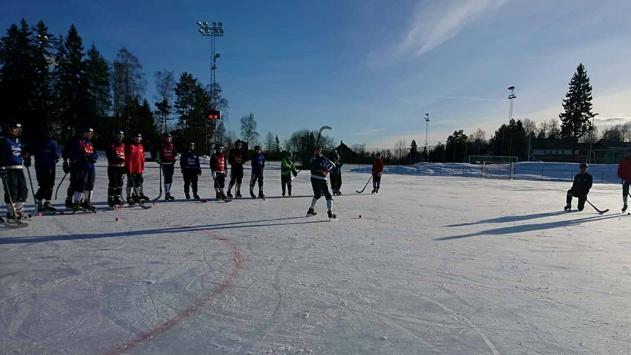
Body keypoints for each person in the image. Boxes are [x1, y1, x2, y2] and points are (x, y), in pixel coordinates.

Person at [26, 126, 59, 213]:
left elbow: (54, 153)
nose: (48, 134)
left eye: (49, 132)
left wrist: (56, 157)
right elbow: (28, 150)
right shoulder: (38, 142)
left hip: (51, 166)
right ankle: (39, 200)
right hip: (41, 166)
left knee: (50, 184)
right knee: (43, 184)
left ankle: (47, 203)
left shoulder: (53, 142)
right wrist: (27, 158)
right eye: (46, 132)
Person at [0, 121, 29, 221]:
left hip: (19, 168)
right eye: (13, 128)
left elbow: (21, 152)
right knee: (12, 190)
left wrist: (26, 157)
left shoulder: (18, 141)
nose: (15, 130)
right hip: (8, 168)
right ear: (8, 129)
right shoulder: (3, 140)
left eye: (16, 128)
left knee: (23, 190)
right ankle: (12, 212)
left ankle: (19, 210)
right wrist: (1, 166)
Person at [69, 127, 98, 212]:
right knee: (81, 184)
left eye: (91, 133)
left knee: (90, 184)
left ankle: (87, 201)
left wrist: (93, 157)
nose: (90, 134)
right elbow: (76, 153)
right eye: (88, 133)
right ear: (84, 133)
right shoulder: (80, 142)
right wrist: (84, 157)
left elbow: (95, 154)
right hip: (82, 167)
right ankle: (77, 202)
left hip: (91, 167)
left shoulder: (91, 143)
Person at [306, 146, 336, 218]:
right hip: (321, 179)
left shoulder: (314, 159)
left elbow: (331, 166)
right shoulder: (321, 159)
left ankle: (311, 209)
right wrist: (327, 169)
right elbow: (332, 166)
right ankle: (330, 212)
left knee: (317, 194)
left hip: (314, 178)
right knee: (327, 195)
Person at [126, 132, 148, 205]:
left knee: (138, 183)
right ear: (133, 138)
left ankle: (136, 196)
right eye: (136, 137)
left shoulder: (141, 146)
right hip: (132, 169)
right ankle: (129, 197)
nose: (138, 138)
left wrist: (142, 167)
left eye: (139, 137)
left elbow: (142, 157)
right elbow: (128, 159)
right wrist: (129, 169)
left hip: (139, 168)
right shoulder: (130, 146)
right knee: (131, 183)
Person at [106, 130, 126, 208]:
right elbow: (110, 156)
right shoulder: (111, 145)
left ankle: (117, 198)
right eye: (119, 136)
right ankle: (110, 199)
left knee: (120, 183)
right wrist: (118, 159)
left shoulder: (123, 145)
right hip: (113, 167)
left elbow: (125, 156)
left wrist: (125, 166)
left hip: (121, 167)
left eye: (122, 136)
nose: (120, 137)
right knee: (113, 183)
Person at [62, 130, 81, 209]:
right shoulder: (71, 141)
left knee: (80, 183)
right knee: (74, 182)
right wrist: (65, 162)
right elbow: (65, 152)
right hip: (74, 164)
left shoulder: (84, 141)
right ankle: (69, 199)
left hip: (83, 165)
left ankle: (77, 201)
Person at [157, 132, 176, 201]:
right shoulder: (161, 145)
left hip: (171, 163)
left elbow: (174, 153)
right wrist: (157, 159)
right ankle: (166, 193)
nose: (168, 139)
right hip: (164, 163)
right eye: (167, 137)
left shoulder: (172, 145)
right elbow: (155, 152)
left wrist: (174, 159)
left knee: (170, 178)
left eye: (169, 137)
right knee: (167, 178)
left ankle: (168, 192)